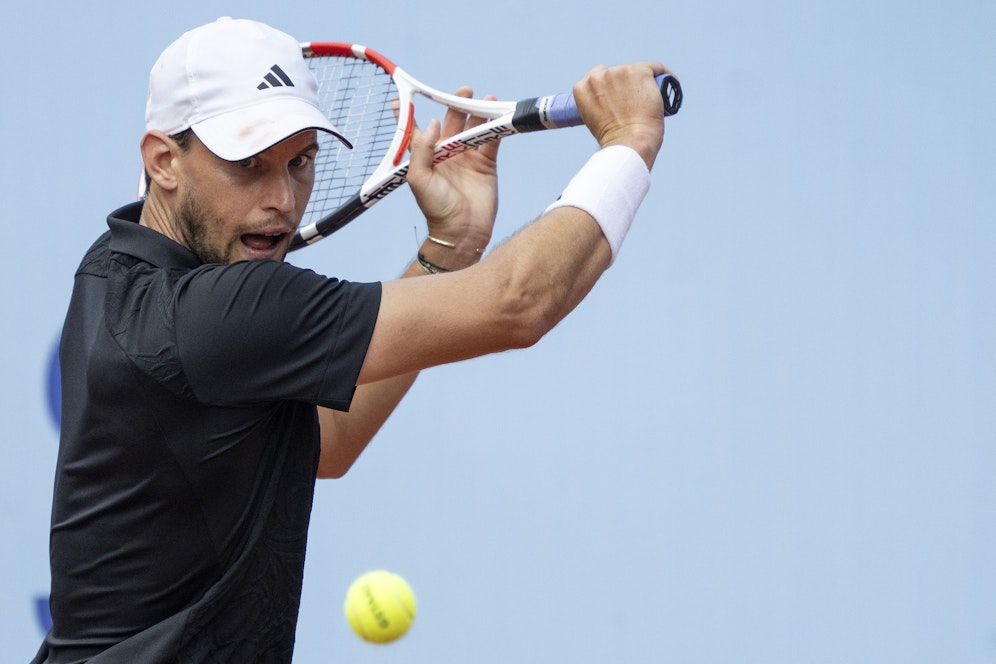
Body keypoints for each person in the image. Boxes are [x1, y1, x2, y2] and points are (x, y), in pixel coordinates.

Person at [34, 16, 672, 664]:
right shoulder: (220, 313)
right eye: (248, 165)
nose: (282, 199)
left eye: (300, 162)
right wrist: (629, 141)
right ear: (163, 160)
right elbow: (521, 301)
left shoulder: (112, 271)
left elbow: (327, 442)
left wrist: (449, 250)